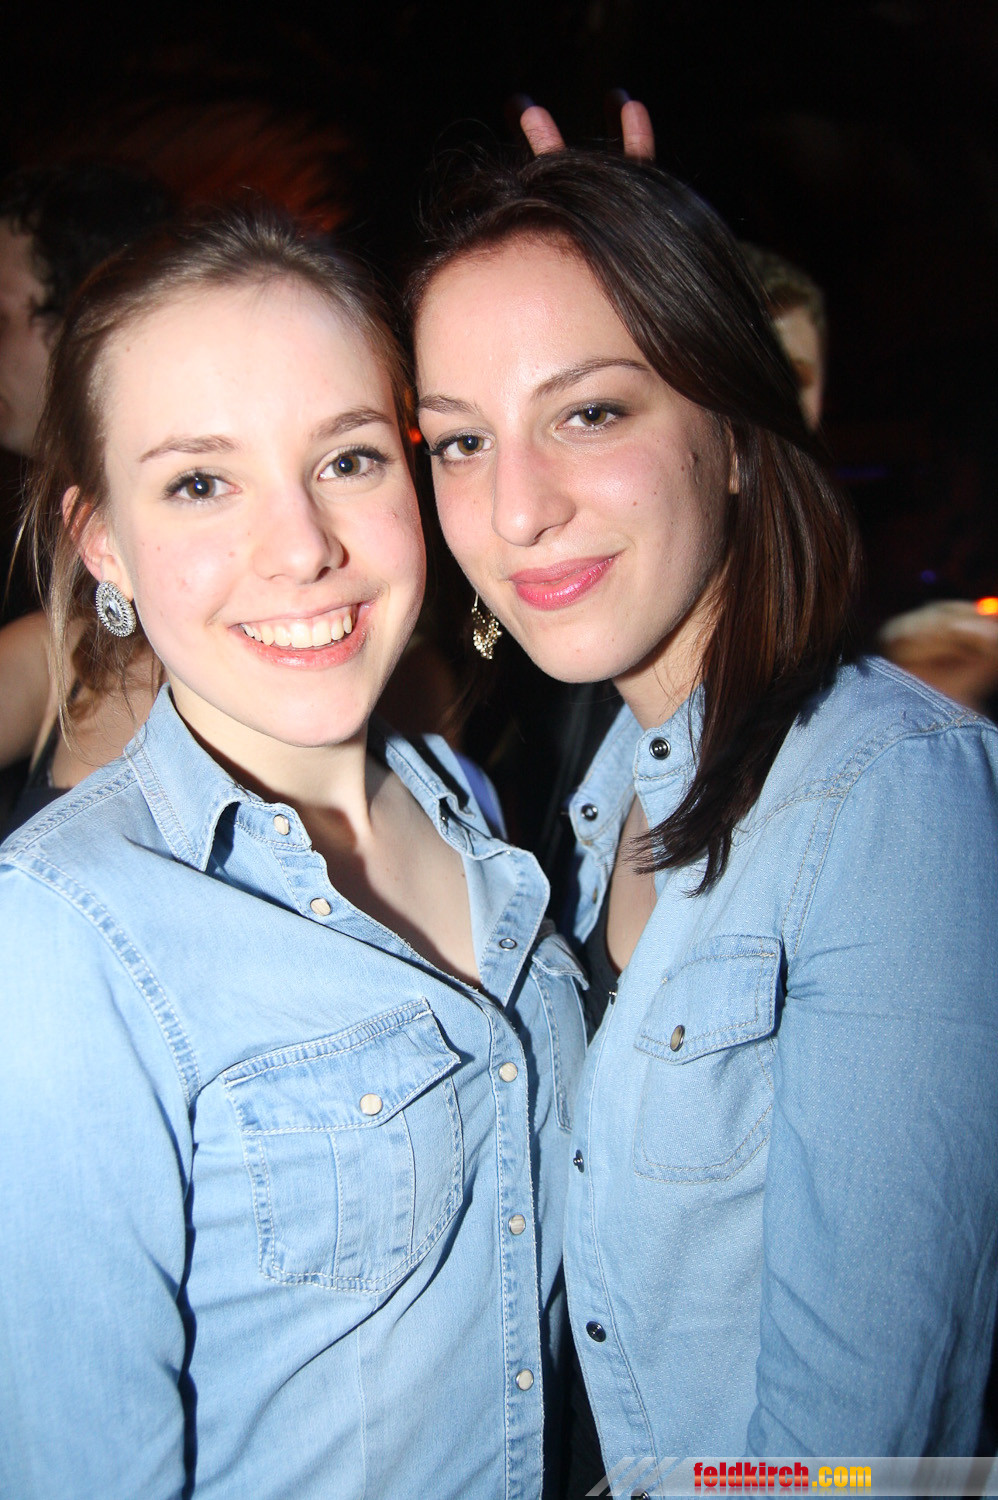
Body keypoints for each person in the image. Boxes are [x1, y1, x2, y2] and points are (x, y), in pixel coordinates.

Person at [408, 147, 998, 1469]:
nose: (516, 510)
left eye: (589, 412)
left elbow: (857, 1460)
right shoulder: (601, 780)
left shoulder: (893, 796)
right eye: (461, 440)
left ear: (733, 433)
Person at [0, 202, 586, 1498]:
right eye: (201, 483)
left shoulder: (463, 803)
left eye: (350, 458)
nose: (305, 549)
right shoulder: (64, 931)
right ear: (104, 541)